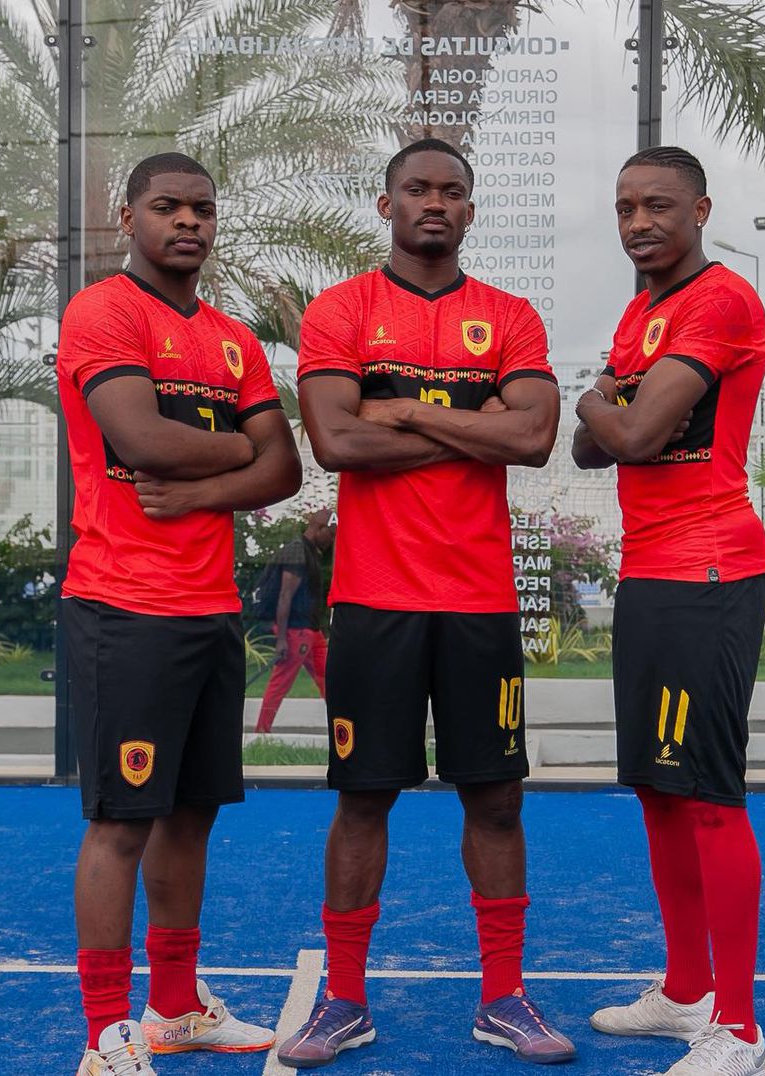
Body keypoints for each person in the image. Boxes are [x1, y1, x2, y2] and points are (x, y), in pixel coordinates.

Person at [276, 137, 575, 1069]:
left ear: (471, 211)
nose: (433, 204)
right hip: (373, 600)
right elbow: (334, 442)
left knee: (495, 799)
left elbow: (532, 439)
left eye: (451, 191)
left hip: (480, 601)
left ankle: (503, 999)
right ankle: (346, 1001)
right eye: (417, 190)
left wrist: (400, 410)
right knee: (364, 799)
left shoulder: (510, 317)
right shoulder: (342, 311)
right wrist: (472, 429)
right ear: (387, 204)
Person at [57, 152, 302, 1076]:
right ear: (129, 219)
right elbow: (138, 435)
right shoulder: (105, 312)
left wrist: (207, 488)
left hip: (208, 609)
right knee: (121, 821)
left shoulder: (234, 339)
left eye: (202, 209)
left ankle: (173, 1009)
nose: (188, 223)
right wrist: (242, 441)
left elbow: (284, 472)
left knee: (191, 813)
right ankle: (104, 1032)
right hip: (123, 605)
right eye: (167, 207)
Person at [572, 147, 765, 1076]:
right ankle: (686, 992)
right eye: (623, 208)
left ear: (699, 210)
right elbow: (587, 452)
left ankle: (741, 1030)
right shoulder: (643, 313)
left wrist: (595, 394)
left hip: (709, 569)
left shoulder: (719, 302)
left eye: (657, 205)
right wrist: (606, 414)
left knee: (710, 797)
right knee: (658, 788)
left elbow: (634, 431)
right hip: (650, 570)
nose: (638, 221)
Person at [255, 509, 337, 734]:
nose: (331, 541)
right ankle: (262, 732)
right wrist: (281, 639)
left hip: (312, 631)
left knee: (330, 677)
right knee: (281, 682)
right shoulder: (297, 551)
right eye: (330, 535)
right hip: (295, 631)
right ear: (319, 528)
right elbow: (285, 596)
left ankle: (341, 726)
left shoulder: (310, 552)